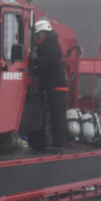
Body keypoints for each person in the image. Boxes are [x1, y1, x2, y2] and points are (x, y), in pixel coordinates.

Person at [32, 19, 68, 151]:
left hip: (56, 86)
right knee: (55, 115)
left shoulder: (50, 46)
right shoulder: (50, 45)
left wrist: (36, 60)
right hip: (55, 85)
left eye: (37, 35)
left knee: (57, 116)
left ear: (43, 34)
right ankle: (58, 142)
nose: (36, 38)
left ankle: (59, 144)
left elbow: (50, 63)